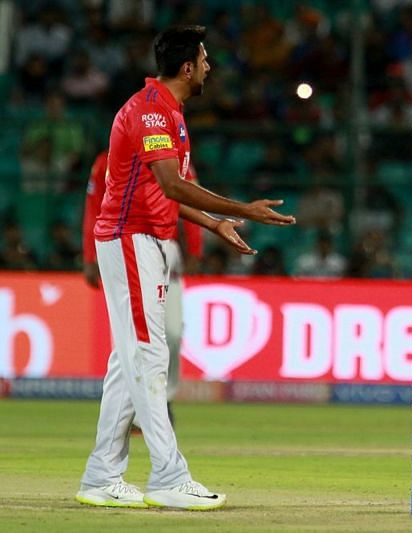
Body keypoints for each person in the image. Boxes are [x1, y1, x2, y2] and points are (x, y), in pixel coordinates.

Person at [75, 25, 296, 511]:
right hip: (129, 239)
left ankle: (100, 475)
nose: (210, 66)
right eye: (205, 58)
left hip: (143, 238)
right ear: (187, 68)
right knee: (150, 358)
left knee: (127, 361)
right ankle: (168, 477)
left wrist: (216, 223)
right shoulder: (153, 111)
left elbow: (163, 191)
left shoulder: (164, 108)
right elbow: (173, 186)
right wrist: (243, 208)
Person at [82, 149, 204, 427]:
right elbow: (93, 207)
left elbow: (191, 197)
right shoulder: (105, 161)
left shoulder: (175, 156)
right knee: (129, 334)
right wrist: (90, 256)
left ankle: (164, 398)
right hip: (124, 248)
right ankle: (133, 409)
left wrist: (195, 248)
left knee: (171, 331)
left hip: (165, 248)